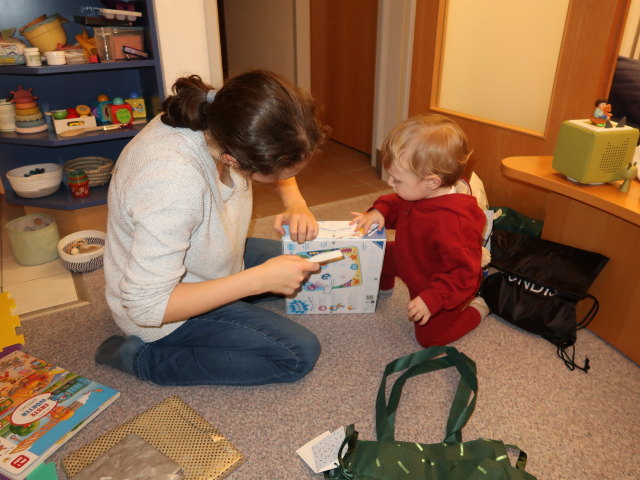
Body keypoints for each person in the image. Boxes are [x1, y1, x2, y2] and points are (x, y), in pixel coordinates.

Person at [95, 70, 329, 386]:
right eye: (274, 176)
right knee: (298, 354)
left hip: (209, 258)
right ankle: (142, 359)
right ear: (234, 159)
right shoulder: (171, 181)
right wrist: (257, 280)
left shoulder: (227, 116)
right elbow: (146, 306)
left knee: (312, 260)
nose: (279, 180)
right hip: (164, 310)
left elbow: (280, 157)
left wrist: (295, 202)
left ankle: (242, 291)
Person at [350, 113, 489, 347]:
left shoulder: (454, 224)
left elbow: (462, 275)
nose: (390, 184)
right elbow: (394, 203)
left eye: (397, 180)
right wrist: (379, 212)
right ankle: (384, 287)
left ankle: (478, 310)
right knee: (374, 254)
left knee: (429, 338)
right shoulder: (417, 192)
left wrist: (432, 300)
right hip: (409, 256)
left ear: (431, 182)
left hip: (435, 281)